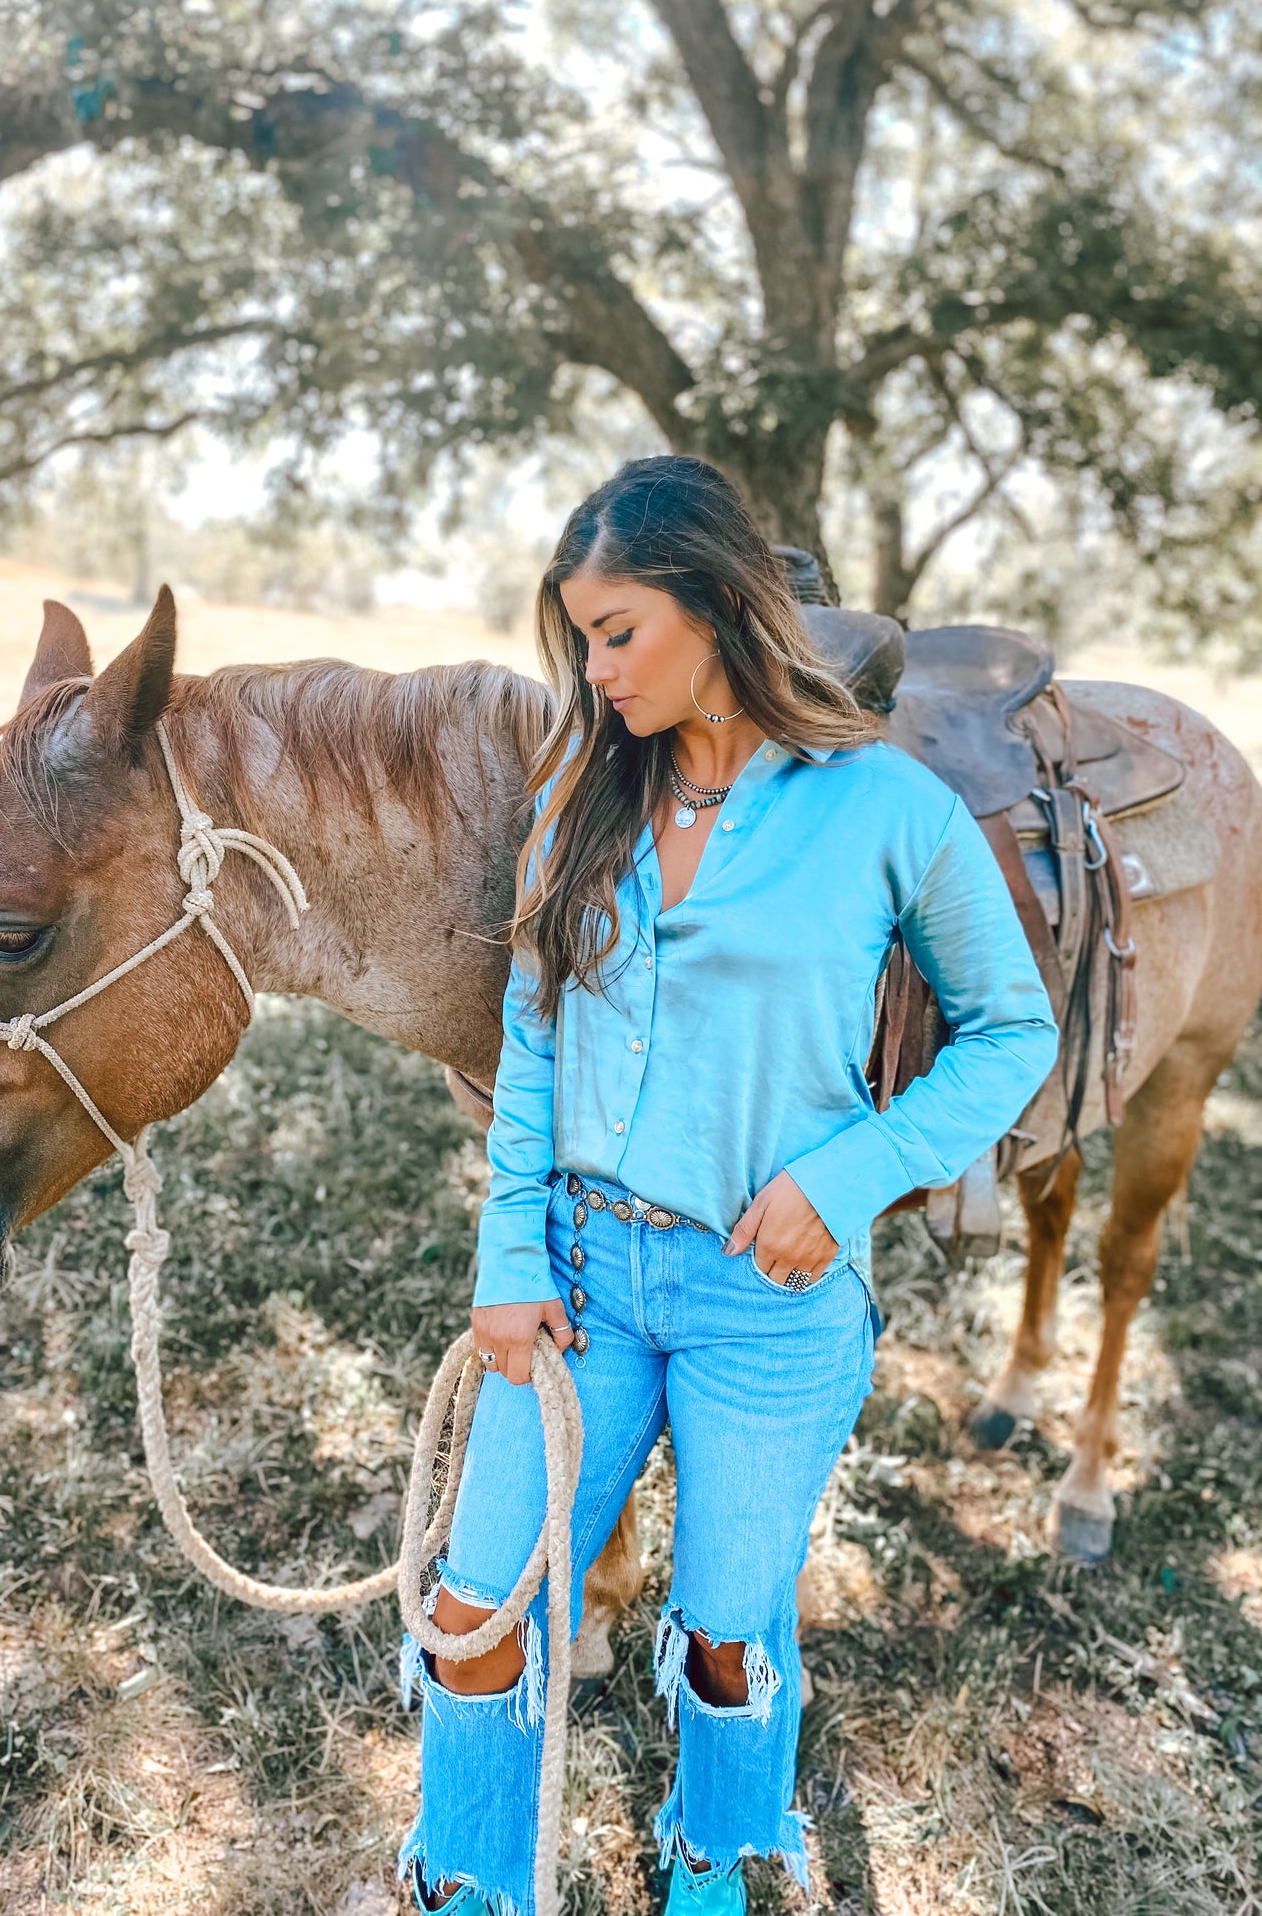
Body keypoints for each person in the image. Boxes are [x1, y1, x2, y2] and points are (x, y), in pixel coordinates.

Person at [396, 456, 1059, 1915]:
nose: (593, 665)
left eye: (618, 628)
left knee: (723, 1625)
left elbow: (1013, 1033)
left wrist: (853, 1170)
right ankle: (468, 1887)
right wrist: (506, 1255)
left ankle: (710, 1861)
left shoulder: (885, 807)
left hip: (769, 1300)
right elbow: (529, 1034)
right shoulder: (579, 785)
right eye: (577, 633)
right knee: (473, 1609)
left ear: (716, 604)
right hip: (573, 1280)